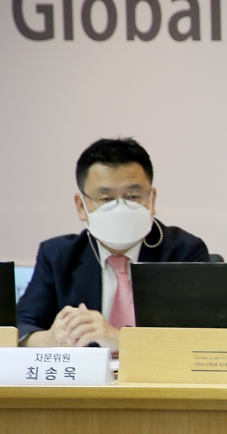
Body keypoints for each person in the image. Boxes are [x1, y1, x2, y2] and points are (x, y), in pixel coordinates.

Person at [17, 138, 209, 350]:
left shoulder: (183, 252)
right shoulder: (58, 255)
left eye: (133, 196)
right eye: (106, 198)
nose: (120, 207)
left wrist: (119, 339)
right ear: (81, 206)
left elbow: (199, 338)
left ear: (151, 199)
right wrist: (50, 339)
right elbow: (21, 327)